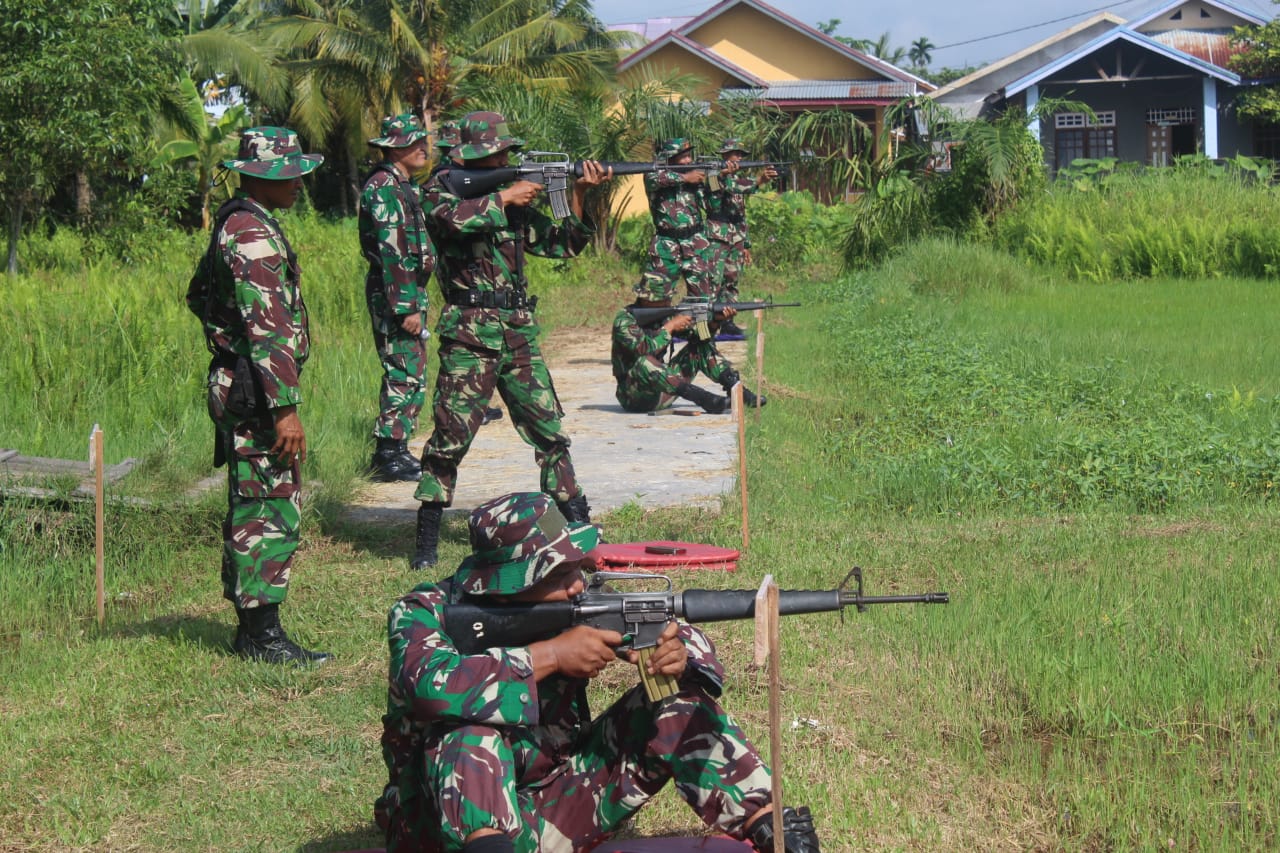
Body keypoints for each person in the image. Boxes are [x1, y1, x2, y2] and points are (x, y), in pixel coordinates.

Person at [375, 491, 822, 852]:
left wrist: (680, 653)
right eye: (557, 574)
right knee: (470, 738)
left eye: (576, 568)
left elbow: (682, 638)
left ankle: (775, 832)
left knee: (676, 707)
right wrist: (549, 657)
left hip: (554, 805)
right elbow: (427, 686)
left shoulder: (578, 604)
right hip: (440, 829)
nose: (576, 584)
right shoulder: (424, 612)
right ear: (510, 584)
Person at [409, 111, 612, 570]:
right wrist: (504, 196)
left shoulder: (515, 203)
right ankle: (425, 542)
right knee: (450, 436)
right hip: (468, 332)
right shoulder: (441, 189)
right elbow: (450, 222)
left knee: (549, 431)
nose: (506, 158)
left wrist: (578, 193)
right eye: (498, 154)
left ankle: (578, 523)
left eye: (506, 153)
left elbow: (564, 244)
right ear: (473, 157)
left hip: (517, 330)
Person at [186, 127, 330, 665]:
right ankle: (262, 637)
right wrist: (285, 409)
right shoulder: (251, 235)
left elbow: (199, 295)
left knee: (253, 500)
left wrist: (225, 340)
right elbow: (267, 329)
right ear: (258, 176)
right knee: (268, 507)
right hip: (259, 394)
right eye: (286, 173)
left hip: (244, 382)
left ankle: (253, 629)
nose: (298, 182)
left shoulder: (238, 221)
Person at [360, 114, 435, 482]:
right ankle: (388, 453)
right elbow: (393, 250)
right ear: (392, 148)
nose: (423, 147)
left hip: (407, 287)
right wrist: (406, 306)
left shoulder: (404, 185)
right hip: (396, 290)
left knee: (413, 368)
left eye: (423, 140)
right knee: (403, 368)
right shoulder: (384, 187)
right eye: (413, 142)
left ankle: (399, 446)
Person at [611, 281, 765, 413]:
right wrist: (670, 327)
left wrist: (715, 322)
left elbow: (702, 339)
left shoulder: (664, 316)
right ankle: (705, 399)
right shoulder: (624, 321)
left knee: (699, 347)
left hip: (664, 390)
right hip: (634, 397)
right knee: (643, 362)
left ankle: (736, 389)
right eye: (665, 299)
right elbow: (644, 349)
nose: (669, 302)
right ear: (649, 300)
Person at [705, 138, 777, 338]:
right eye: (735, 154)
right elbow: (721, 186)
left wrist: (745, 244)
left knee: (731, 281)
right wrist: (759, 180)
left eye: (740, 155)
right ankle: (706, 327)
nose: (738, 158)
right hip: (717, 238)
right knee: (713, 282)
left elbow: (740, 214)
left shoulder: (737, 180)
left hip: (734, 238)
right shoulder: (714, 176)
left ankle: (727, 323)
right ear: (725, 156)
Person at [638, 138, 714, 302]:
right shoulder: (654, 173)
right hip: (666, 244)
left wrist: (716, 178)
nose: (688, 160)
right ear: (670, 158)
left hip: (695, 243)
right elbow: (654, 179)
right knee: (655, 298)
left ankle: (697, 327)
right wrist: (686, 178)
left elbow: (712, 206)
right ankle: (660, 328)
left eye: (689, 156)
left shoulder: (695, 178)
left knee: (703, 298)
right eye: (684, 156)